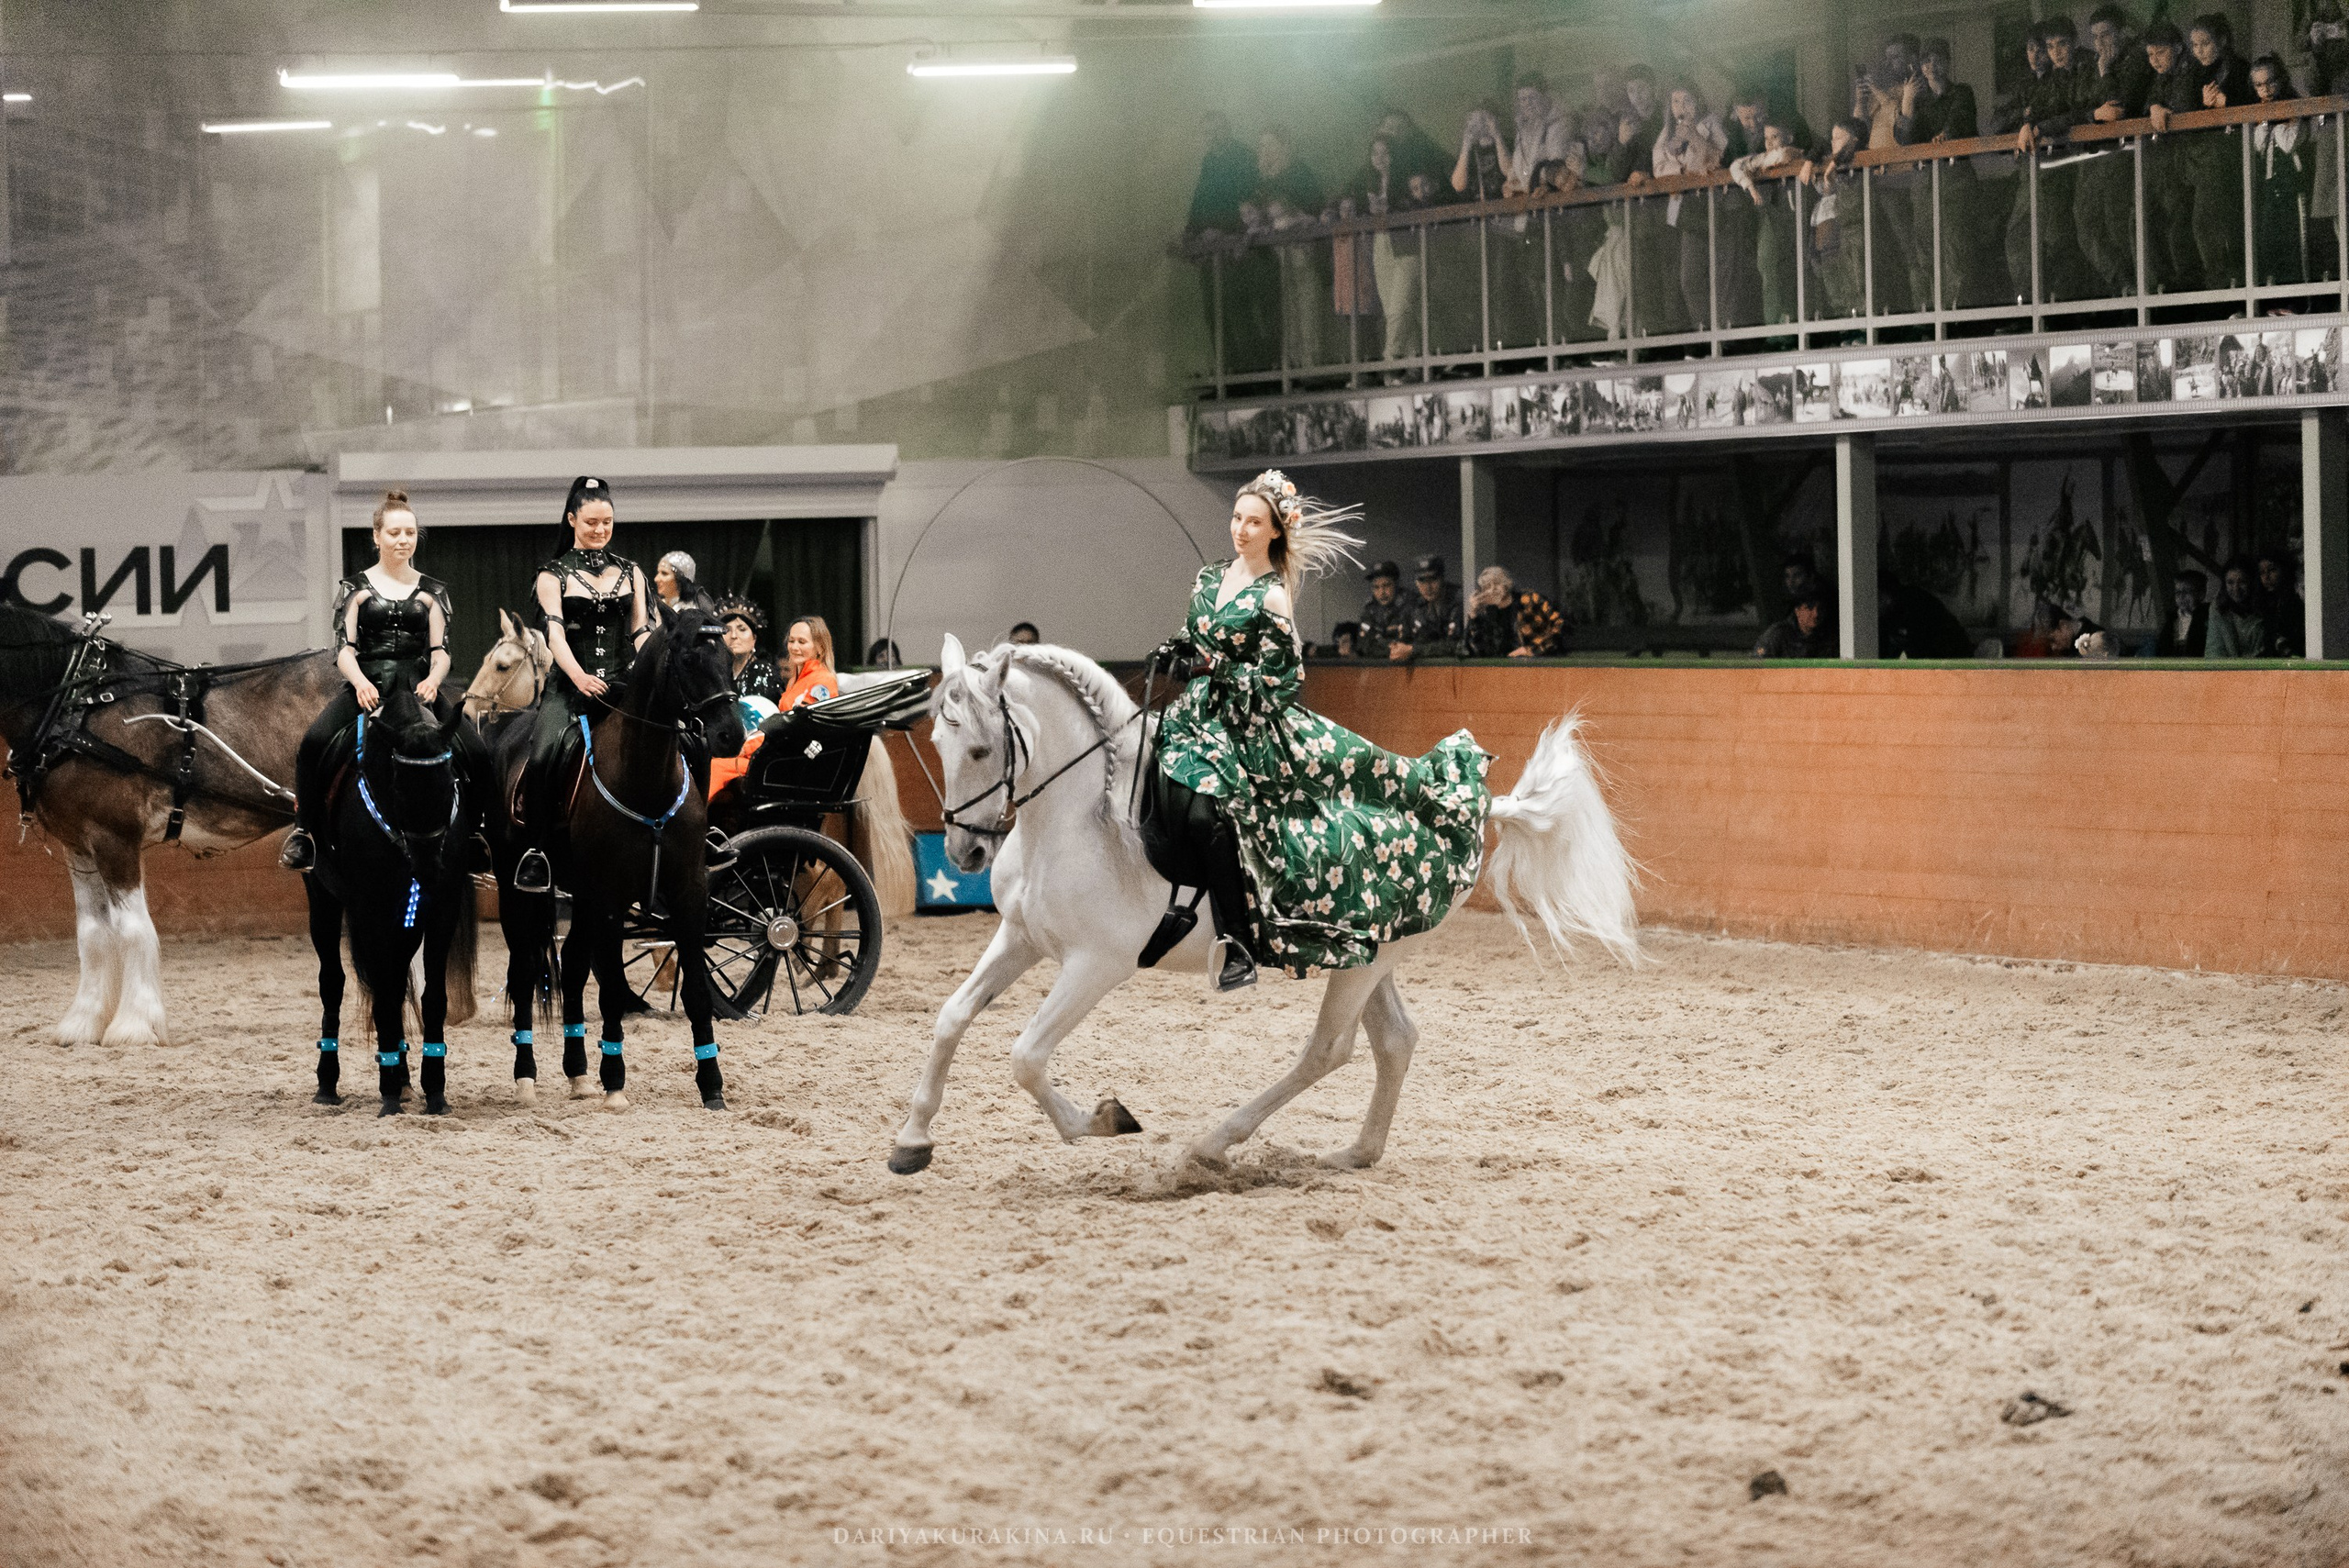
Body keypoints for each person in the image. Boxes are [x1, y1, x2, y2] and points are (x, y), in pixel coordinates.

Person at [1148, 469, 1490, 992]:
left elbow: (1283, 683)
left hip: (1251, 730)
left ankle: (1237, 941)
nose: (1240, 529)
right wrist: (1178, 649)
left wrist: (1214, 668)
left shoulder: (1273, 598)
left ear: (1275, 532)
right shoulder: (1209, 577)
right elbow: (1197, 632)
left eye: (1254, 522)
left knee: (1209, 814)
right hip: (1197, 717)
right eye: (1237, 517)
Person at [281, 489, 456, 871]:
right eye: (394, 533)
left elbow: (440, 652)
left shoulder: (433, 591)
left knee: (475, 750)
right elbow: (344, 649)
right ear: (377, 536)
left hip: (419, 689)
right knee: (313, 743)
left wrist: (435, 680)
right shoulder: (354, 589)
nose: (403, 540)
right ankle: (304, 832)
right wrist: (360, 682)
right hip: (368, 686)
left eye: (410, 533)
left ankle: (474, 834)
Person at [512, 475, 650, 894]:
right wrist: (578, 677)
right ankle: (535, 851)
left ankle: (701, 833)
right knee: (541, 757)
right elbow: (554, 636)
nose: (600, 530)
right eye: (591, 521)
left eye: (607, 522)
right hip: (570, 688)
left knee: (686, 740)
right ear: (572, 519)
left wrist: (648, 673)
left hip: (625, 688)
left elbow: (641, 631)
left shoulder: (632, 571)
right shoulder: (551, 574)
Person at [2076, 6, 2153, 300]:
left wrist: (2106, 73)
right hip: (2096, 157)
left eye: (2106, 34)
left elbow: (2119, 106)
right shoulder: (2094, 64)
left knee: (2119, 224)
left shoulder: (2136, 60)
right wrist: (2093, 112)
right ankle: (2122, 285)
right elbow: (2083, 106)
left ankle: (2137, 287)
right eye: (2094, 37)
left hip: (2125, 155)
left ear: (2122, 32)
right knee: (2086, 226)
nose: (2100, 43)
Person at [2183, 13, 2253, 291]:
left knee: (2216, 222)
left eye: (2205, 43)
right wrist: (2202, 105)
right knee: (2201, 223)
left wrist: (2228, 103)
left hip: (2229, 156)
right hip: (2199, 156)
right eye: (2194, 44)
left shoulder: (2239, 68)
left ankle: (2228, 280)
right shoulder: (2193, 72)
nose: (2199, 50)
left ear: (2221, 41)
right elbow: (2185, 108)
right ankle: (2218, 279)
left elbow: (2253, 103)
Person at [1653, 80, 1729, 331]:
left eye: (1686, 100)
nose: (1680, 107)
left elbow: (1718, 158)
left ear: (1697, 102)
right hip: (1679, 211)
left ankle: (1714, 329)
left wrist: (1694, 137)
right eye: (1675, 101)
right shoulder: (1666, 132)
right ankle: (1699, 329)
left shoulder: (1710, 123)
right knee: (1684, 279)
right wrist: (1683, 169)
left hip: (1708, 207)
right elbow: (1658, 169)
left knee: (1706, 276)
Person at [2143, 22, 2205, 294]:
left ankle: (2188, 291)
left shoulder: (2189, 69)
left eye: (2160, 53)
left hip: (2190, 162)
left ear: (2178, 49)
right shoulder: (2162, 75)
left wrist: (2162, 107)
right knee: (2156, 225)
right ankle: (2167, 287)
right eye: (2150, 55)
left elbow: (2183, 104)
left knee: (2181, 230)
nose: (2155, 60)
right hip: (2168, 165)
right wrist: (2155, 105)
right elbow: (2148, 102)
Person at [2250, 56, 2315, 286]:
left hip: (2293, 184)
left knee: (2296, 242)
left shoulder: (2294, 104)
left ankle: (2301, 300)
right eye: (2258, 85)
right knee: (2269, 240)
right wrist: (2267, 121)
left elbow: (2288, 143)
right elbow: (2258, 145)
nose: (2265, 90)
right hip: (2270, 185)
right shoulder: (2260, 110)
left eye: (2270, 82)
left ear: (2282, 80)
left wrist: (2273, 120)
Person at [1463, 565, 1569, 657]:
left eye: (1496, 584)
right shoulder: (1488, 613)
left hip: (1541, 667)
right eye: (1487, 587)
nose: (1492, 589)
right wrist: (1473, 614)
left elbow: (1562, 626)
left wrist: (1532, 649)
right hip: (1507, 671)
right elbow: (1476, 651)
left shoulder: (1531, 599)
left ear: (1506, 584)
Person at [1876, 569, 1974, 658]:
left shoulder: (1917, 603)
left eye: (1881, 598)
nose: (1879, 604)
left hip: (1952, 657)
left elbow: (1920, 646)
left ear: (1893, 591)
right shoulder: (1884, 616)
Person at [1389, 554, 1464, 662]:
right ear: (1416, 582)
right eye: (1422, 581)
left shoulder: (1458, 600)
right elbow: (1405, 639)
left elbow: (1456, 645)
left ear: (1442, 578)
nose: (1428, 587)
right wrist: (1397, 648)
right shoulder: (1414, 605)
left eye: (1433, 580)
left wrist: (1414, 650)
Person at [715, 596, 781, 703]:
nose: (734, 636)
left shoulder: (763, 671)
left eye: (742, 629)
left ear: (754, 638)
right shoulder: (719, 671)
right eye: (727, 630)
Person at [2204, 557, 2268, 656]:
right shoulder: (2218, 608)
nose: (2236, 588)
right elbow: (2214, 650)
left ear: (2252, 582)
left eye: (2242, 582)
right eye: (2230, 582)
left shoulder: (2264, 607)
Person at [779, 616, 841, 709]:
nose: (794, 647)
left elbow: (815, 720)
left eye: (802, 642)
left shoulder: (823, 680)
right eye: (791, 641)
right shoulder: (793, 680)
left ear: (820, 647)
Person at [2256, 549, 2306, 656]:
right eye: (2262, 572)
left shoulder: (2297, 599)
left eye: (2272, 570)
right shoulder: (2264, 602)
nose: (2266, 577)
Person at [1753, 591, 1832, 657]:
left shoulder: (1830, 637)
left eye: (1820, 609)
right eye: (1809, 608)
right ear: (1797, 610)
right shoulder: (1777, 635)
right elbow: (1758, 666)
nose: (1816, 614)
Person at [1358, 560, 1413, 650]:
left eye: (1386, 585)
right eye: (1376, 587)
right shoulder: (1370, 609)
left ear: (1396, 584)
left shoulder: (1410, 604)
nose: (1382, 592)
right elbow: (1364, 645)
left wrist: (1379, 639)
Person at [2154, 568, 2210, 655]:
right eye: (2178, 592)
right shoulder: (2172, 620)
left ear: (2201, 594)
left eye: (2187, 591)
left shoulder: (2208, 618)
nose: (2181, 596)